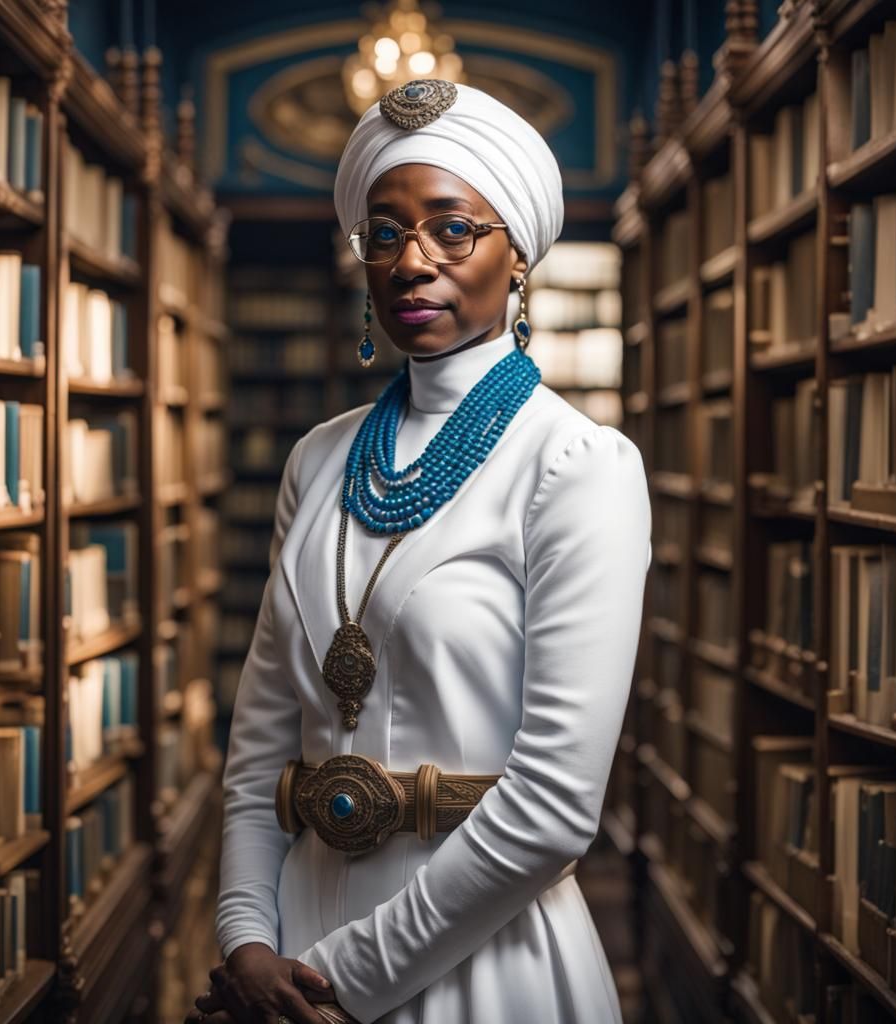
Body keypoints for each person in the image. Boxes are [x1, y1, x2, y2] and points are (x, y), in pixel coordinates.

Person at [187, 77, 652, 1024]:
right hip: (289, 953)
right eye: (387, 233)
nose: (413, 262)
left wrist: (337, 985)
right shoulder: (317, 460)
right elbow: (258, 754)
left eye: (453, 229)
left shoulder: (577, 464)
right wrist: (246, 943)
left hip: (484, 959)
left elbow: (556, 807)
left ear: (517, 254)